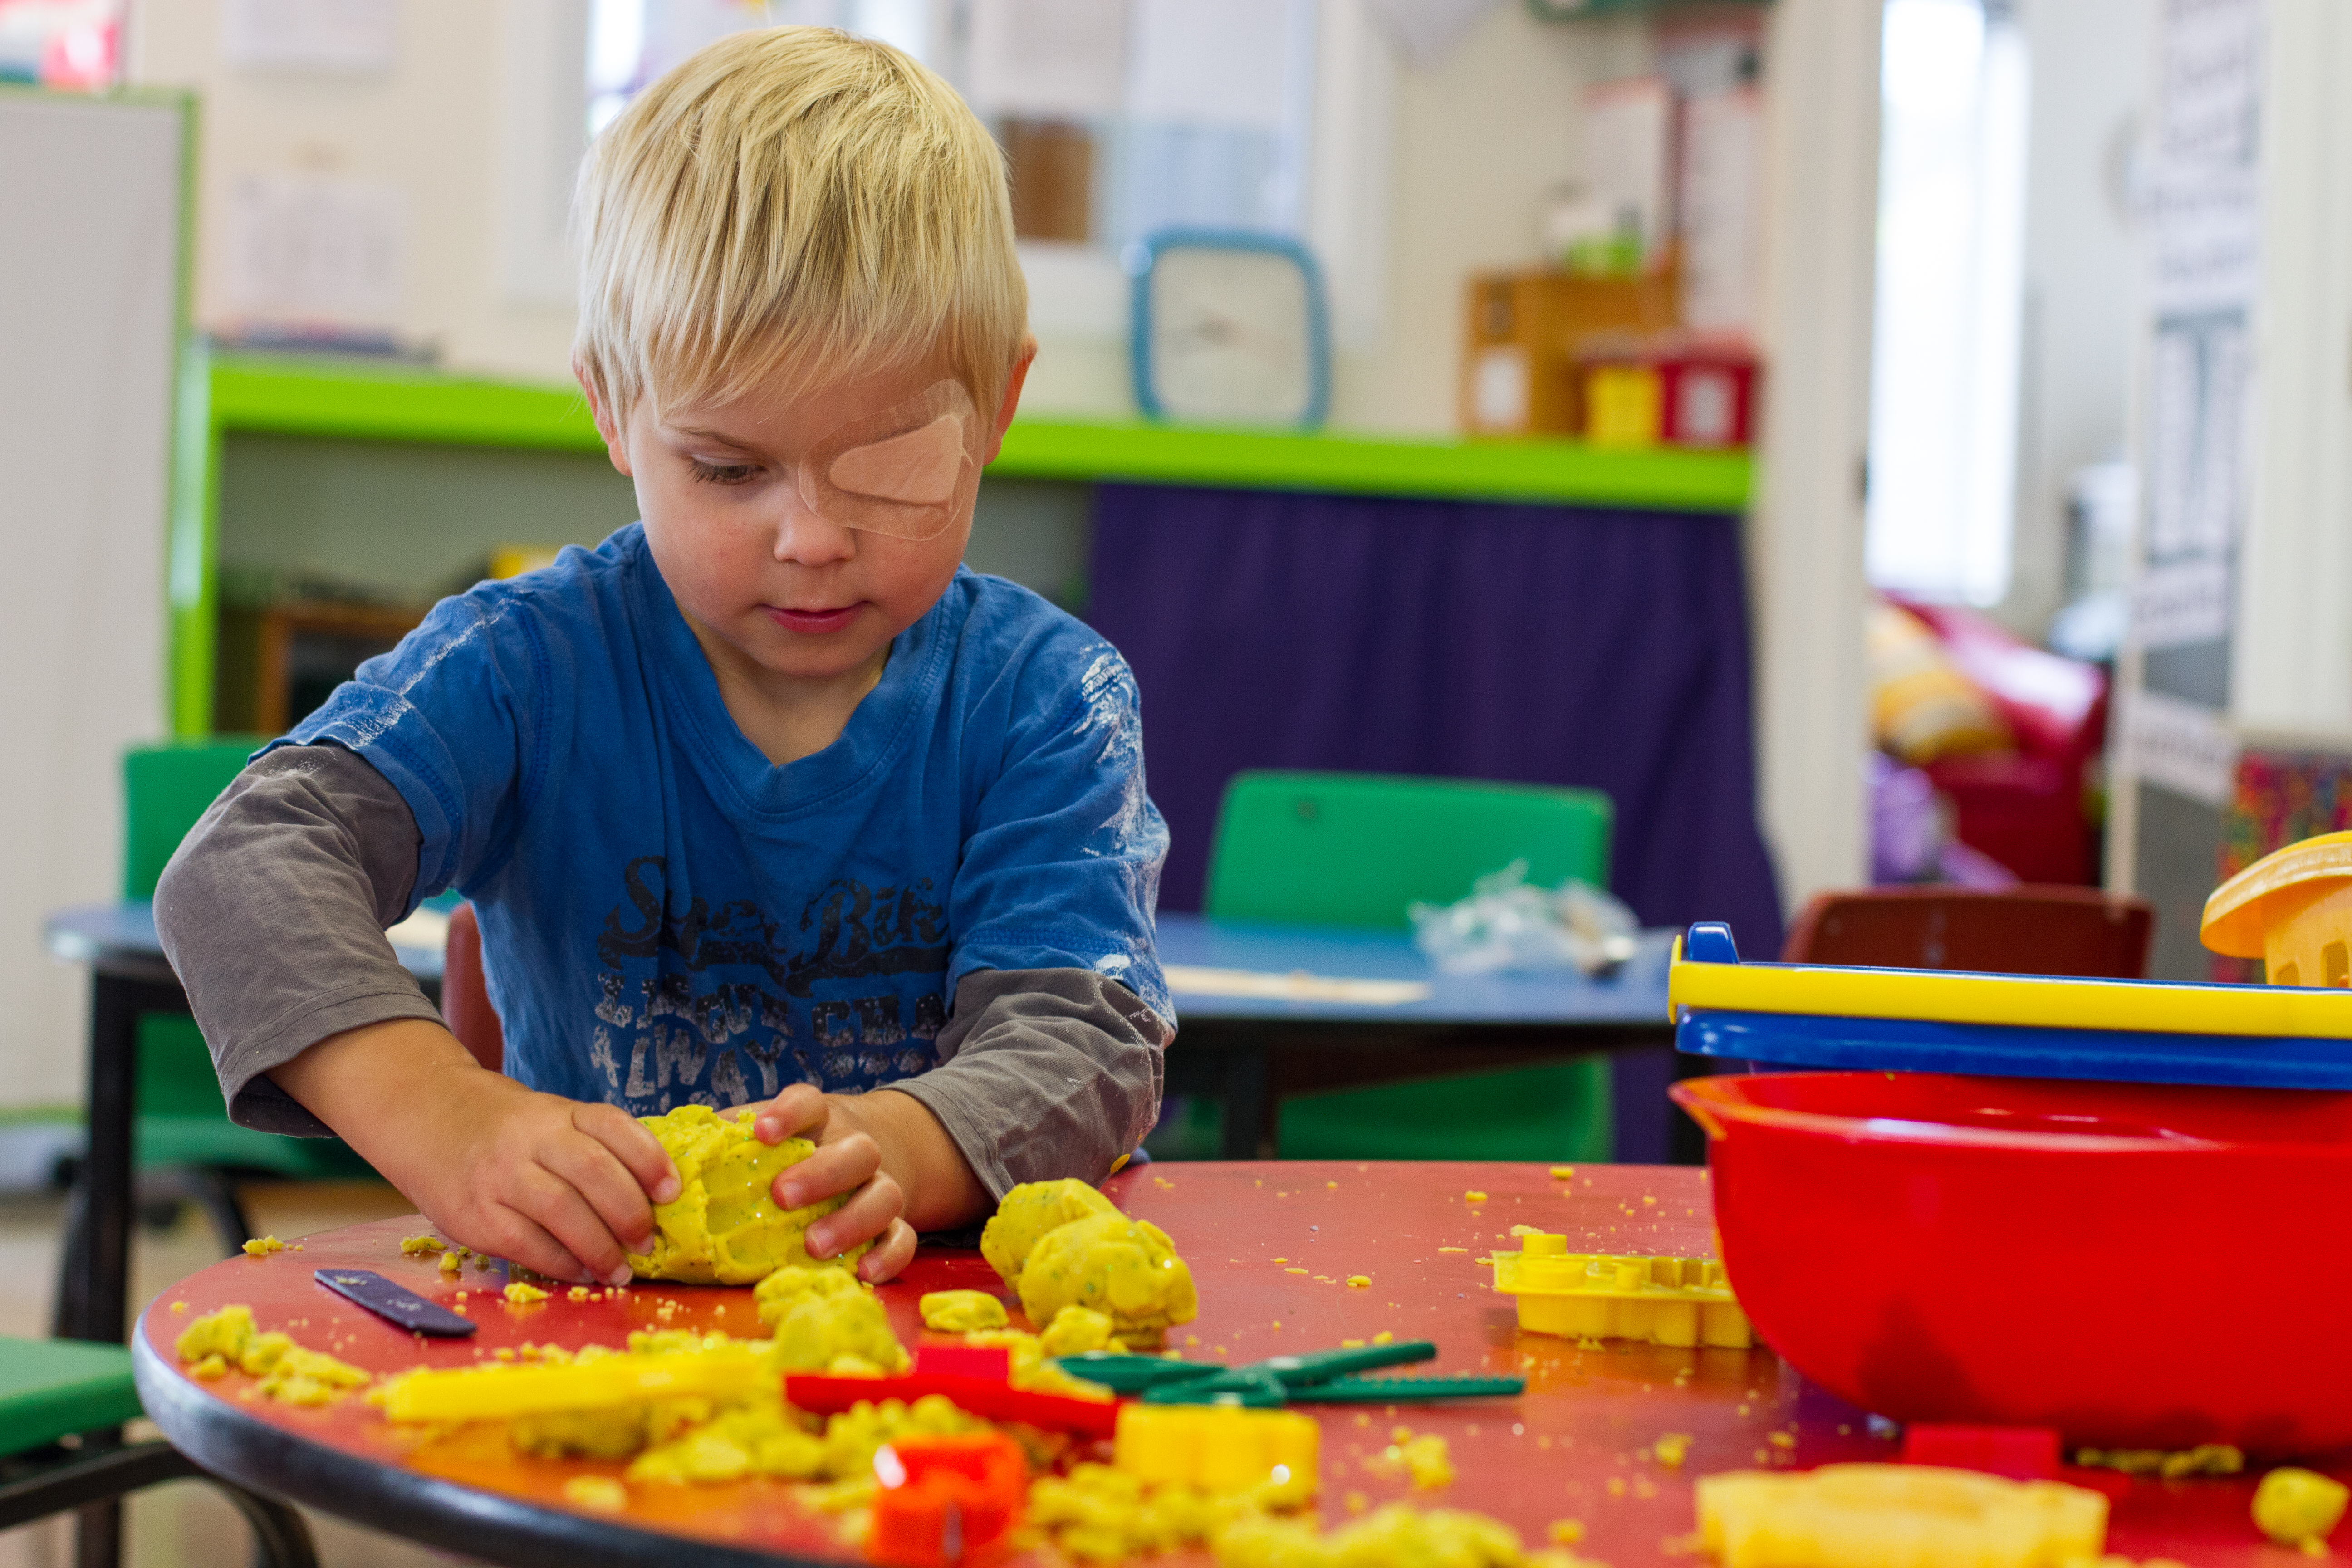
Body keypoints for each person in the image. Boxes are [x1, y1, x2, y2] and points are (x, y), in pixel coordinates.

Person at [155, 27, 1171, 1290]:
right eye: (730, 470)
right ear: (612, 410)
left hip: (939, 1337)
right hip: (587, 1317)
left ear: (999, 408)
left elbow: (1086, 1037)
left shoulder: (1044, 700)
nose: (809, 540)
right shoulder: (527, 667)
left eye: (891, 465)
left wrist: (910, 1143)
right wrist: (449, 1119)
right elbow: (245, 869)